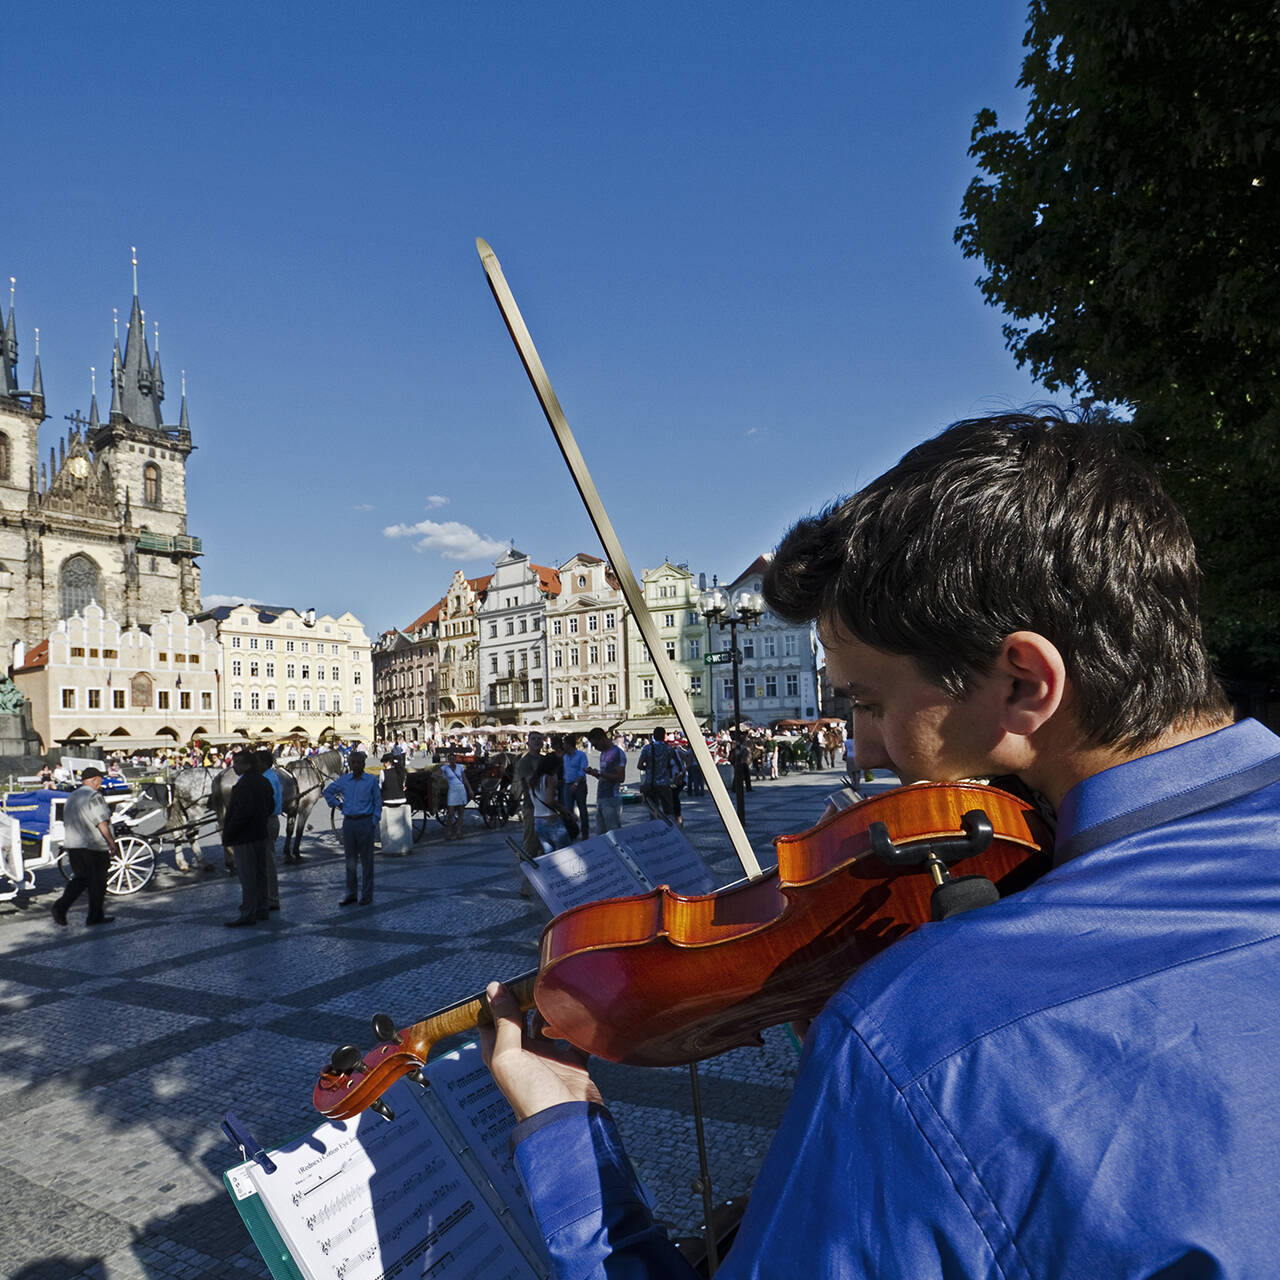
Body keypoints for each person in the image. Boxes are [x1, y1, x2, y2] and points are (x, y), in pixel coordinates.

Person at [479, 409, 1280, 1277]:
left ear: (1023, 684)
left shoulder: (929, 1033)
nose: (858, 746)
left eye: (866, 703)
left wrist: (566, 1144)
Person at [49, 767, 120, 928]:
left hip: (74, 845)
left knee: (82, 879)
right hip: (93, 846)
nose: (101, 783)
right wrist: (111, 842)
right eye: (100, 779)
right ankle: (66, 908)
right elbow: (101, 822)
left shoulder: (72, 796)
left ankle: (85, 913)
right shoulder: (94, 796)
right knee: (98, 882)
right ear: (95, 779)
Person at [221, 752, 275, 927]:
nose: (234, 766)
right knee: (260, 874)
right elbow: (271, 806)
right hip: (260, 834)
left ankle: (248, 913)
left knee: (247, 877)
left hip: (244, 837)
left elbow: (240, 813)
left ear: (247, 765)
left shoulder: (243, 785)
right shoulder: (263, 781)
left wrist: (228, 833)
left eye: (237, 763)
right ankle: (262, 909)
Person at [324, 751, 382, 905]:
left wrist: (374, 820)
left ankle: (367, 894)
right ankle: (351, 893)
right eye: (353, 762)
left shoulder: (370, 780)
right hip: (349, 823)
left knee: (367, 861)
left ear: (363, 764)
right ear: (349, 764)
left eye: (358, 762)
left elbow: (378, 801)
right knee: (350, 861)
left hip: (365, 822)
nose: (356, 765)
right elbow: (327, 792)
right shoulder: (344, 781)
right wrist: (338, 804)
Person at [253, 747, 285, 902]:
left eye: (256, 761)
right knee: (264, 860)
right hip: (267, 819)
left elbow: (266, 803)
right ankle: (266, 895)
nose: (254, 764)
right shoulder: (268, 775)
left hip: (266, 820)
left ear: (264, 763)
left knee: (267, 861)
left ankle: (272, 897)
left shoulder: (267, 778)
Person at [586, 727, 626, 833]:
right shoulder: (603, 753)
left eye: (595, 745)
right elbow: (604, 776)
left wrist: (599, 773)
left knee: (613, 833)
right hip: (601, 797)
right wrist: (594, 773)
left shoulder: (616, 753)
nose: (595, 748)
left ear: (601, 739)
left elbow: (620, 778)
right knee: (601, 834)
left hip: (611, 798)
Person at [515, 731, 546, 858]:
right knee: (530, 844)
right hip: (532, 806)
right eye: (534, 739)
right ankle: (524, 870)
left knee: (544, 844)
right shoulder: (525, 761)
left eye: (540, 739)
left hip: (546, 806)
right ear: (527, 743)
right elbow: (531, 783)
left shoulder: (544, 760)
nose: (537, 741)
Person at [636, 726, 677, 818]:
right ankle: (669, 829)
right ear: (664, 736)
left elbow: (639, 765)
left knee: (653, 810)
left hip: (651, 784)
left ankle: (655, 827)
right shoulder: (669, 749)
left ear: (653, 736)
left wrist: (650, 768)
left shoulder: (647, 748)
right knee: (668, 810)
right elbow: (673, 764)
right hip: (664, 783)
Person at [561, 734, 590, 839]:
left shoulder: (581, 755)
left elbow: (582, 772)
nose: (563, 746)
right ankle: (572, 832)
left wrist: (576, 784)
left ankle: (585, 832)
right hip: (567, 785)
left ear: (569, 745)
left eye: (564, 744)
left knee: (582, 809)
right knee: (568, 810)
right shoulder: (564, 757)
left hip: (580, 785)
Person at [439, 751, 471, 842]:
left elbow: (464, 779)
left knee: (461, 813)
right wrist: (442, 777)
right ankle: (449, 831)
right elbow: (438, 774)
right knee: (451, 813)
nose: (452, 760)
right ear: (448, 760)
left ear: (455, 759)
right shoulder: (444, 767)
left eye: (453, 758)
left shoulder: (460, 767)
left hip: (461, 790)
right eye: (450, 759)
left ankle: (459, 831)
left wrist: (469, 789)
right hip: (452, 790)